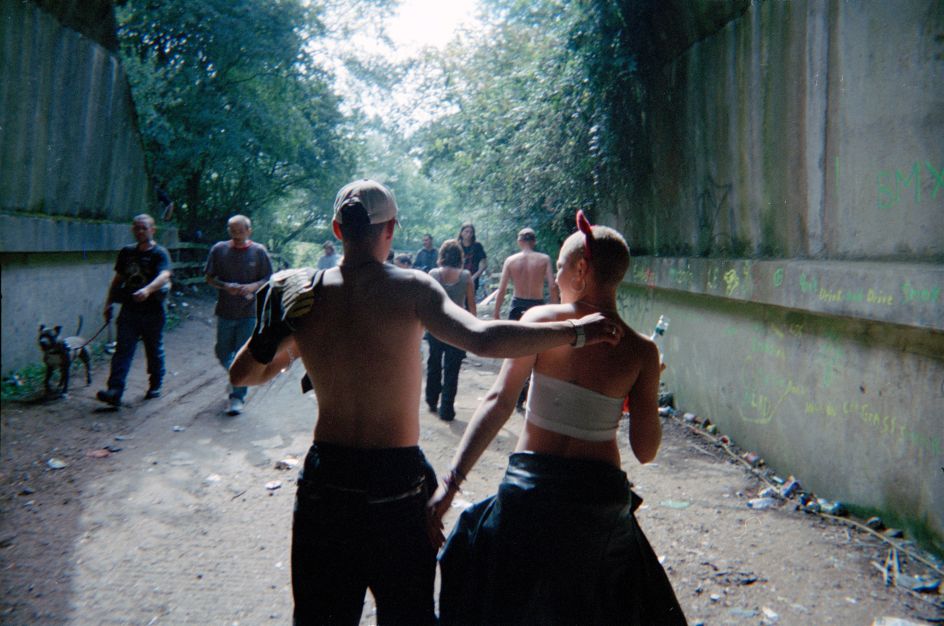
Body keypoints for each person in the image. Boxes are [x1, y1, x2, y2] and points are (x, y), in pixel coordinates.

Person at [228, 180, 622, 625]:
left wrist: (272, 329)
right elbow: (482, 338)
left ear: (338, 230)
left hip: (327, 483)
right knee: (408, 616)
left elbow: (243, 374)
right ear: (390, 228)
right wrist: (577, 331)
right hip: (396, 483)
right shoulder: (412, 289)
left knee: (322, 617)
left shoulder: (305, 294)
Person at [429, 211, 686, 625]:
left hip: (530, 495)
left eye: (562, 268)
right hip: (597, 507)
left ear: (582, 269)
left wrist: (450, 484)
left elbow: (498, 401)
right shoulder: (642, 351)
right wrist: (646, 390)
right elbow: (646, 450)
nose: (556, 279)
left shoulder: (539, 322)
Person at [96, 214, 172, 406]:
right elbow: (118, 279)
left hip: (153, 310)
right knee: (122, 350)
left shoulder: (160, 253)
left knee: (153, 349)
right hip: (130, 309)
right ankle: (115, 390)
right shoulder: (126, 252)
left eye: (144, 228)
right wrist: (109, 302)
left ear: (152, 230)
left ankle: (155, 384)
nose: (140, 231)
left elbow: (164, 275)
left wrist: (147, 290)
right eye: (137, 228)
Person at [204, 215, 273, 415]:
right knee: (222, 352)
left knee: (243, 355)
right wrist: (226, 286)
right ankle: (236, 378)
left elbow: (269, 278)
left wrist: (253, 285)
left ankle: (237, 397)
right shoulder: (219, 250)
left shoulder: (259, 252)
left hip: (249, 312)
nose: (237, 235)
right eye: (233, 231)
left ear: (249, 231)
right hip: (226, 310)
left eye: (240, 231)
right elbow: (209, 277)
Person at [493, 227, 560, 410]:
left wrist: (496, 313)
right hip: (536, 306)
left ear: (519, 241)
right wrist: (555, 310)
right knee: (535, 350)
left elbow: (502, 289)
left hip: (517, 306)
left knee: (515, 351)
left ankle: (513, 394)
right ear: (534, 241)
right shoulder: (544, 259)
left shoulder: (511, 260)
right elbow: (553, 286)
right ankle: (526, 394)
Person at [425, 239, 475, 422]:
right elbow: (471, 305)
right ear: (460, 257)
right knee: (452, 370)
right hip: (458, 327)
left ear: (442, 255)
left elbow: (428, 303)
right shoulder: (466, 276)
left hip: (436, 325)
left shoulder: (433, 274)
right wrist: (473, 327)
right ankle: (447, 409)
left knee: (434, 364)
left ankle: (431, 400)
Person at [457, 223, 487, 295]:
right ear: (461, 233)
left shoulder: (477, 246)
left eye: (471, 232)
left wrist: (474, 277)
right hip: (457, 280)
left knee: (470, 304)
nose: (469, 234)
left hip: (473, 279)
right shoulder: (456, 246)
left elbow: (484, 264)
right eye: (466, 231)